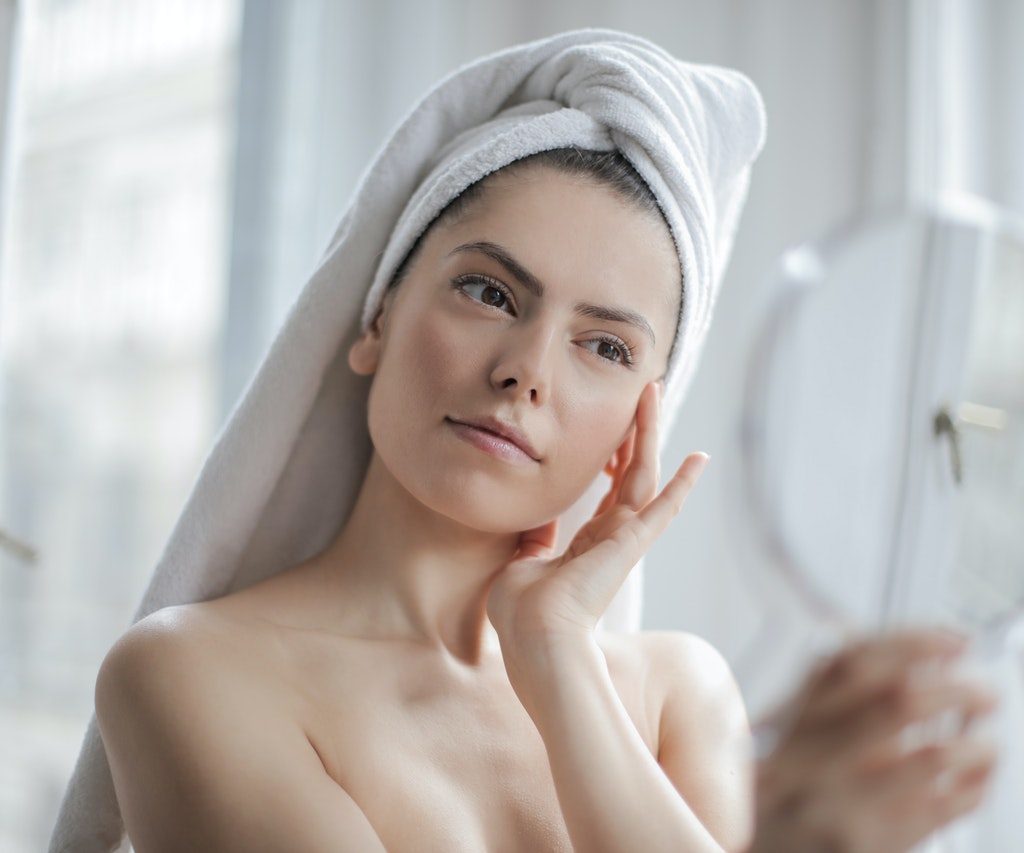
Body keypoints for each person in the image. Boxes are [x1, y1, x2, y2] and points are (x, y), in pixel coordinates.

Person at [92, 148, 999, 853]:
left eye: (605, 347)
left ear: (636, 427)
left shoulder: (679, 695)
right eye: (489, 292)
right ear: (377, 318)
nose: (526, 370)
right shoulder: (192, 671)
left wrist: (557, 654)